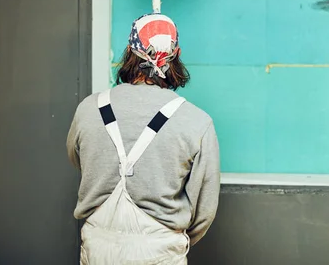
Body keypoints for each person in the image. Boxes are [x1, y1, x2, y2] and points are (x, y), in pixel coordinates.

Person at [66, 13, 220, 265]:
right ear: (177, 54)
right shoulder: (197, 121)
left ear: (129, 52)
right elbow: (204, 211)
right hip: (161, 253)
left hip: (97, 250)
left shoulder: (88, 109)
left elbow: (77, 159)